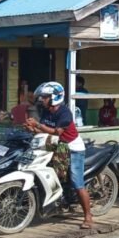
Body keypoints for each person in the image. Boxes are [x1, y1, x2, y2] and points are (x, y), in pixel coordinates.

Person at [27, 82, 93, 229]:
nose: (42, 100)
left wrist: (37, 125)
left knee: (77, 182)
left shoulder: (64, 112)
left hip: (73, 148)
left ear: (54, 97)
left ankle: (88, 216)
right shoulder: (46, 111)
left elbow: (57, 132)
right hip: (55, 146)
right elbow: (45, 131)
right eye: (42, 97)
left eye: (45, 97)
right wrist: (31, 129)